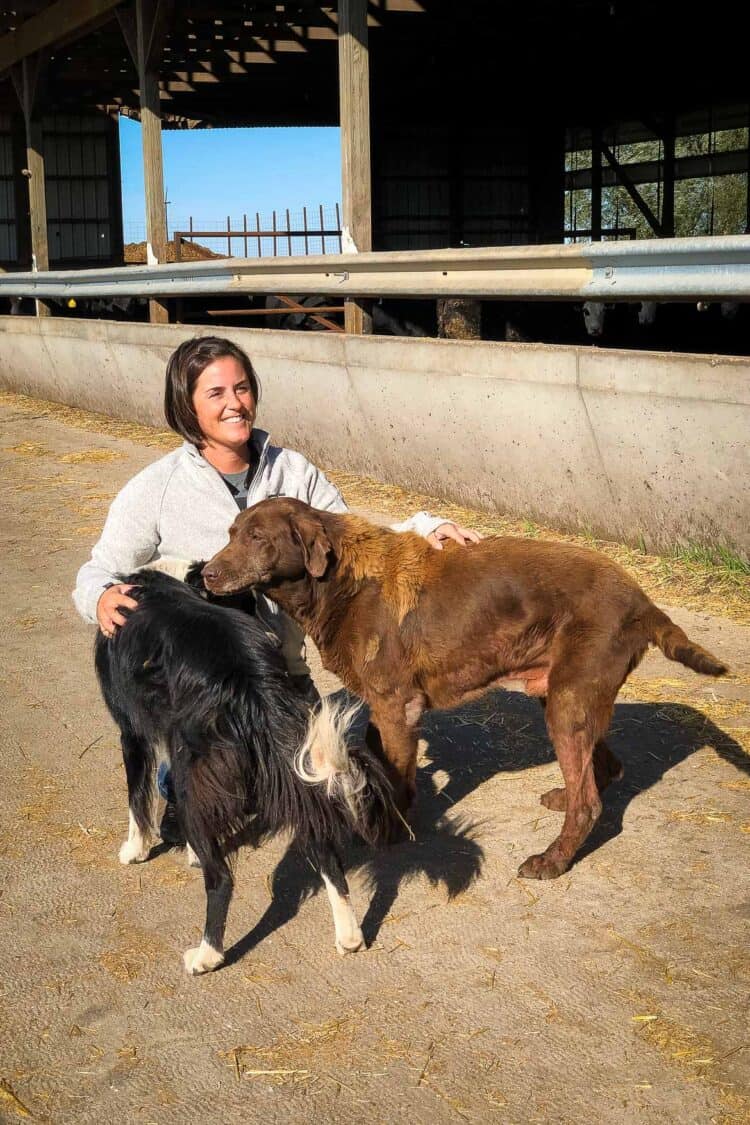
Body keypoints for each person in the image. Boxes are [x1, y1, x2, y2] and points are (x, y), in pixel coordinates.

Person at [74, 336, 480, 840]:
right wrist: (98, 596)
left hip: (282, 672)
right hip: (213, 683)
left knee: (319, 787)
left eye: (241, 388)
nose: (234, 404)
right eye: (216, 393)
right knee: (219, 791)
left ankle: (253, 758)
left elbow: (353, 536)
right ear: (186, 405)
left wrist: (424, 526)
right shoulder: (157, 488)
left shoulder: (291, 470)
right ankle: (181, 773)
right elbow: (98, 569)